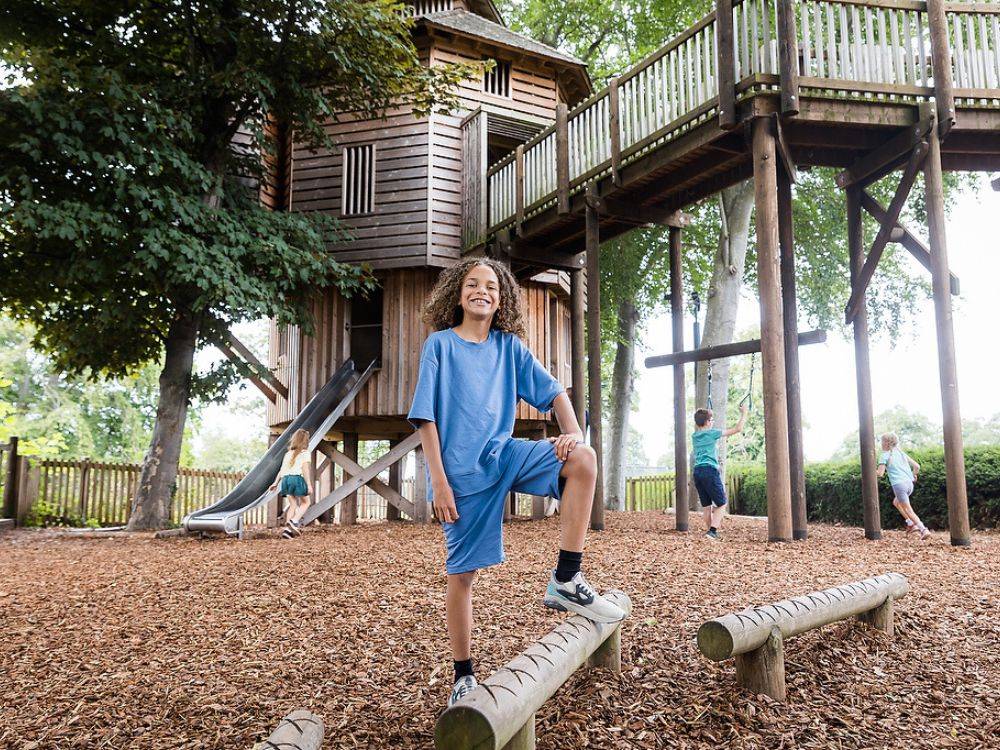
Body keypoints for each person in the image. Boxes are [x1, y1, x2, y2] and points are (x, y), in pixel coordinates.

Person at [407, 258, 625, 708]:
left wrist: (572, 433)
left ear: (501, 298)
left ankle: (566, 578)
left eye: (490, 286)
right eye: (472, 284)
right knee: (462, 575)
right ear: (458, 294)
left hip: (505, 455)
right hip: (461, 476)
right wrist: (439, 484)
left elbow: (555, 392)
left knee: (583, 459)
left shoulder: (509, 348)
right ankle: (463, 676)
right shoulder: (439, 345)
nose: (481, 291)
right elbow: (425, 418)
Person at [691, 405, 747, 541]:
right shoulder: (712, 433)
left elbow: (702, 423)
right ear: (707, 422)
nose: (713, 422)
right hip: (709, 471)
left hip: (697, 471)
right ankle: (712, 532)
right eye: (711, 420)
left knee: (706, 507)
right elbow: (738, 429)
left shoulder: (695, 436)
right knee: (722, 504)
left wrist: (706, 415)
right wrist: (744, 413)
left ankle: (710, 533)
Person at [877, 433, 927, 540]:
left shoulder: (884, 455)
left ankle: (923, 529)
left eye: (882, 441)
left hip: (899, 485)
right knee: (896, 502)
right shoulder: (901, 453)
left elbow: (880, 473)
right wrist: (913, 475)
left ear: (887, 443)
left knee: (908, 510)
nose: (881, 444)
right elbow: (917, 466)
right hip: (909, 484)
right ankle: (910, 523)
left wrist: (869, 470)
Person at [269, 428, 312, 539]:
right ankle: (294, 521)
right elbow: (305, 469)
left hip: (285, 480)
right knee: (306, 502)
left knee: (293, 505)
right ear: (305, 441)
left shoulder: (288, 454)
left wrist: (275, 483)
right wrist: (309, 484)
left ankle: (287, 531)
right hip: (296, 479)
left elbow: (281, 470)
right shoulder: (305, 453)